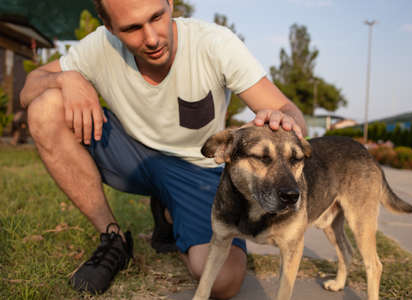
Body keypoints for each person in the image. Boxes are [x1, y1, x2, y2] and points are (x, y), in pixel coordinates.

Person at [20, 0, 307, 298]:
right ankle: (114, 240)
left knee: (224, 281)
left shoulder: (214, 44)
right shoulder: (99, 46)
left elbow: (287, 108)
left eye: (156, 17)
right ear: (110, 28)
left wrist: (285, 118)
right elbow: (30, 87)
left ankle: (170, 216)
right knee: (45, 107)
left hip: (197, 170)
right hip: (129, 153)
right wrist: (66, 78)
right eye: (132, 28)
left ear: (170, 3)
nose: (152, 38)